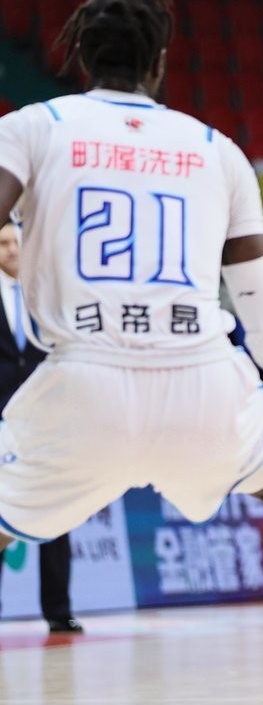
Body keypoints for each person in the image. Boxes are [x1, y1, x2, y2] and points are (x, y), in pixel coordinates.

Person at [0, 0, 263, 703]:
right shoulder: (217, 150)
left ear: (80, 56)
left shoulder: (31, 127)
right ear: (162, 63)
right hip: (201, 381)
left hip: (82, 383)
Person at [0, 219, 81, 634]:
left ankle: (59, 610)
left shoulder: (44, 296)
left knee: (57, 515)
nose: (12, 250)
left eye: (16, 242)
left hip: (46, 423)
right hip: (1, 422)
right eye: (3, 243)